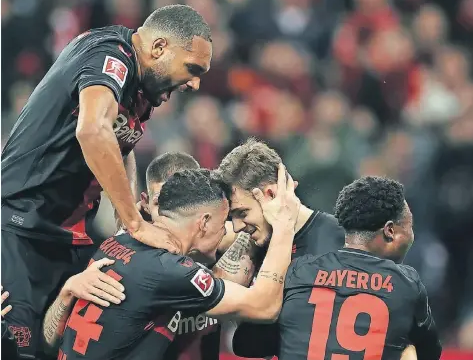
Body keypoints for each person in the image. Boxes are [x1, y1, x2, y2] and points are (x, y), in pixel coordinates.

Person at [1, 4, 212, 358]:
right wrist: (136, 224)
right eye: (192, 69)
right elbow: (93, 129)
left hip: (66, 234)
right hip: (20, 230)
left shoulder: (141, 84)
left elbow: (119, 142)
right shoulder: (109, 55)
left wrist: (122, 222)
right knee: (16, 349)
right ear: (158, 48)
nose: (195, 83)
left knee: (64, 346)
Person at [55, 165, 299, 360]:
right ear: (203, 222)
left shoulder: (119, 242)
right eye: (223, 221)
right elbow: (265, 306)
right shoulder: (170, 271)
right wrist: (284, 224)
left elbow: (49, 342)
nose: (228, 231)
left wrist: (65, 294)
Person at [276, 177, 442, 360]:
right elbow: (430, 353)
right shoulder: (407, 284)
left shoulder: (300, 270)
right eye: (410, 227)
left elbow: (250, 344)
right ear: (390, 231)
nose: (412, 235)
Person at [214, 138, 346, 357]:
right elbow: (221, 297)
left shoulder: (339, 241)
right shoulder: (258, 240)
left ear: (271, 195)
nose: (236, 227)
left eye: (242, 213)